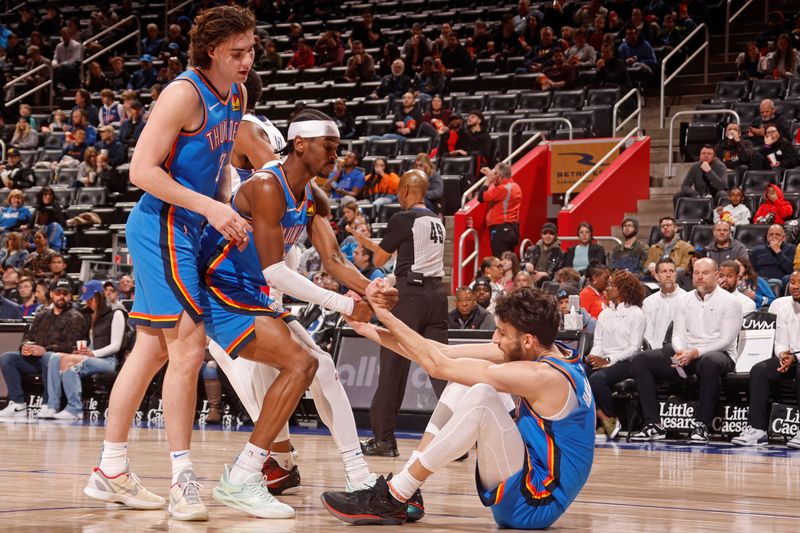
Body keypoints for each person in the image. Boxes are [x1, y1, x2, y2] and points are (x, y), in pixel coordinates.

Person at [83, 6, 255, 521]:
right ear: (210, 53)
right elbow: (140, 170)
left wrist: (223, 211)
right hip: (161, 225)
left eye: (251, 50)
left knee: (151, 352)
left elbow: (220, 169)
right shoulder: (183, 94)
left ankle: (110, 469)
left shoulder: (238, 94)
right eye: (236, 53)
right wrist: (209, 208)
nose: (247, 61)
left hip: (194, 226)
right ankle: (184, 478)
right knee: (189, 345)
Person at [198, 110, 398, 516]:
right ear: (300, 144)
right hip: (218, 290)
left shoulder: (312, 195)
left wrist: (370, 288)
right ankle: (243, 475)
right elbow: (276, 270)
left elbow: (336, 259)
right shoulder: (268, 186)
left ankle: (357, 474)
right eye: (330, 147)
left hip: (252, 291)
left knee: (319, 366)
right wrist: (344, 303)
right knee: (299, 364)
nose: (337, 156)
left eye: (338, 148)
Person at [322, 286, 595, 530]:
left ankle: (394, 496)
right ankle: (407, 491)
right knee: (464, 382)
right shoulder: (551, 351)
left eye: (502, 333)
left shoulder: (543, 377)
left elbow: (436, 366)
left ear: (527, 340)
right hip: (529, 477)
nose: (495, 339)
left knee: (481, 396)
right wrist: (368, 328)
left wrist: (385, 314)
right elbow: (442, 352)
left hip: (532, 505)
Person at [346, 170, 448, 457]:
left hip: (410, 296)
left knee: (393, 368)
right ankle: (457, 436)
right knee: (441, 367)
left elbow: (380, 259)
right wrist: (364, 241)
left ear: (404, 190)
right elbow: (404, 248)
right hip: (437, 296)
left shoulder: (401, 219)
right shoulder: (435, 220)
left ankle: (383, 440)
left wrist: (368, 246)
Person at [630, 258, 744, 443]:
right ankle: (653, 423)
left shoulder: (730, 302)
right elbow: (677, 334)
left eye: (705, 273)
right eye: (696, 273)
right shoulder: (684, 300)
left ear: (716, 275)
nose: (699, 277)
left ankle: (702, 425)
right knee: (641, 360)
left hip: (719, 355)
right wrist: (682, 351)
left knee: (710, 362)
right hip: (687, 354)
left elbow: (725, 340)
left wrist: (695, 352)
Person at [38, 281, 127, 421]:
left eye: (91, 299)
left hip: (108, 360)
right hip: (89, 357)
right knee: (55, 358)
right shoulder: (87, 314)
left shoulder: (116, 313)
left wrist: (93, 353)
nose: (88, 302)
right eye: (86, 299)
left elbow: (116, 345)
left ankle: (74, 408)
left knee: (68, 362)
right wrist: (79, 352)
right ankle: (52, 406)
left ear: (100, 296)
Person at [732, 270, 800, 448]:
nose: (795, 286)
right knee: (760, 370)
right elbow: (780, 343)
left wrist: (794, 358)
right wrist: (783, 355)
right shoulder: (784, 309)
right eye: (792, 282)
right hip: (789, 359)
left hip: (797, 360)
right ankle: (757, 429)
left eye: (799, 282)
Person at [0, 279, 86, 418]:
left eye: (65, 293)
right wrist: (25, 346)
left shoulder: (76, 317)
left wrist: (45, 350)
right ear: (51, 294)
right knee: (7, 358)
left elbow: (71, 345)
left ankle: (47, 404)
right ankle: (17, 403)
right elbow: (28, 336)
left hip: (58, 361)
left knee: (49, 357)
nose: (61, 296)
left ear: (70, 297)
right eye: (58, 293)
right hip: (35, 360)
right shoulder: (42, 315)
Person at [585, 270, 646, 439]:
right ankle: (603, 419)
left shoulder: (636, 314)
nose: (607, 288)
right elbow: (598, 343)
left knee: (597, 379)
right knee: (579, 374)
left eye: (612, 285)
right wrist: (592, 357)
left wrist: (607, 360)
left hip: (628, 362)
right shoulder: (605, 314)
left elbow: (634, 348)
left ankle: (612, 417)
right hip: (605, 358)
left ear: (623, 289)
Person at [477, 163, 522, 258]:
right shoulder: (515, 186)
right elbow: (499, 186)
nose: (493, 175)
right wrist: (492, 175)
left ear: (500, 175)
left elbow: (481, 197)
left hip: (501, 230)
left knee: (500, 261)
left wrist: (488, 180)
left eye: (495, 173)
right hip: (512, 229)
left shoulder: (502, 189)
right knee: (509, 261)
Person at [642, 258, 686, 349]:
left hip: (681, 353)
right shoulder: (648, 302)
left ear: (675, 275)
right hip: (655, 352)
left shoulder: (687, 299)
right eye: (664, 271)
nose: (668, 275)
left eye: (671, 271)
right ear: (656, 276)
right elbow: (647, 334)